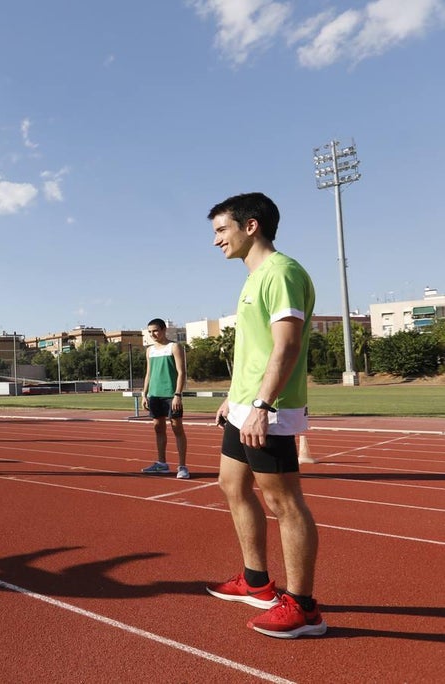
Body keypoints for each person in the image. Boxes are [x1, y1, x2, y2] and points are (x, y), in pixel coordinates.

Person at [205, 192, 324, 639]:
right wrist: (235, 399)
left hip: (268, 411)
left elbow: (286, 346)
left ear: (250, 226)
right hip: (245, 405)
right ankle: (256, 583)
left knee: (283, 502)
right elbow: (256, 350)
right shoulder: (253, 278)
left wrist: (261, 405)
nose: (217, 240)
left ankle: (304, 608)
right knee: (231, 485)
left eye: (222, 230)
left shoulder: (282, 272)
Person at [140, 318, 189, 479]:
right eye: (150, 332)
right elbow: (148, 373)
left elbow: (181, 372)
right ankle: (162, 464)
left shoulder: (174, 347)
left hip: (171, 395)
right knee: (158, 430)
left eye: (155, 330)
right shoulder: (149, 350)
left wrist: (177, 395)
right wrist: (144, 393)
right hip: (154, 395)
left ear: (163, 329)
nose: (153, 334)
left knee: (177, 429)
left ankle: (182, 466)